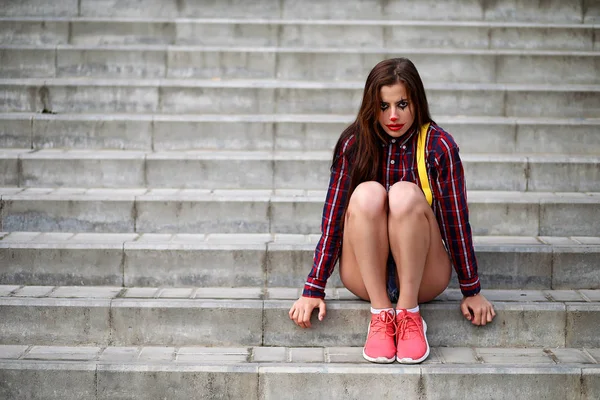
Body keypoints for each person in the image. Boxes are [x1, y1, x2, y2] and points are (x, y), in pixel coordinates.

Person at [288, 57, 496, 364]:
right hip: (364, 275)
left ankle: (409, 314)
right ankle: (381, 315)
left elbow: (455, 222)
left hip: (424, 275)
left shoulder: (438, 146)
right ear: (372, 105)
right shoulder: (354, 143)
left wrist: (471, 289)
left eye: (402, 104)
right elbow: (333, 221)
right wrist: (313, 287)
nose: (393, 116)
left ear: (417, 102)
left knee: (403, 194)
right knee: (368, 193)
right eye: (383, 106)